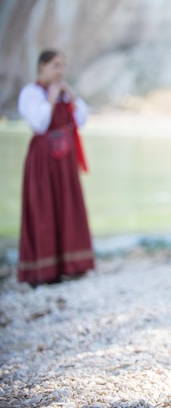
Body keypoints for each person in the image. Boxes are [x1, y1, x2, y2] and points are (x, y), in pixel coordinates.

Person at [17, 49, 94, 286]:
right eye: (54, 66)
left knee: (67, 206)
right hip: (43, 160)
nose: (59, 71)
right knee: (44, 207)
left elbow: (81, 119)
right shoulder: (31, 93)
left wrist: (69, 95)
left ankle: (72, 264)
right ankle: (44, 270)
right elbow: (39, 124)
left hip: (65, 160)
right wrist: (51, 98)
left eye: (62, 66)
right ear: (42, 67)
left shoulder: (63, 94)